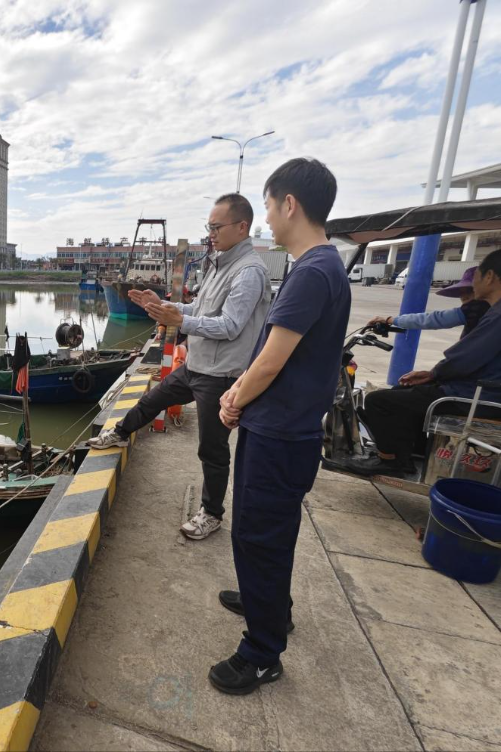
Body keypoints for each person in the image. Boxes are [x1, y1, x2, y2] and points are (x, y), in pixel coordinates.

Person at [212, 157, 348, 694]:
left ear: (290, 204)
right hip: (286, 429)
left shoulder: (312, 272)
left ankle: (262, 652)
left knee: (258, 536)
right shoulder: (320, 267)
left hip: (279, 434)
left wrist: (233, 399)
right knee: (272, 533)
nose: (267, 217)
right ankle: (271, 604)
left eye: (269, 206)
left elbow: (270, 361)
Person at [87, 193, 271, 540]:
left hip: (221, 375)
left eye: (216, 227)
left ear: (242, 227)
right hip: (197, 364)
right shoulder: (219, 264)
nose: (211, 234)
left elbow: (231, 326)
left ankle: (212, 514)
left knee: (212, 449)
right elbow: (198, 309)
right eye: (209, 227)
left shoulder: (248, 272)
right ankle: (121, 434)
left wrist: (180, 322)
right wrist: (165, 304)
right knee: (152, 399)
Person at [348, 250, 501, 476]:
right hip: (475, 389)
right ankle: (412, 452)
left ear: (489, 277)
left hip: (477, 395)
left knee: (378, 401)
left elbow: (466, 357)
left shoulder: (495, 314)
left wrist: (434, 374)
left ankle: (391, 461)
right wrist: (434, 374)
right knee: (402, 391)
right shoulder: (493, 311)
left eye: (477, 276)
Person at [367, 266, 489, 338]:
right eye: (462, 291)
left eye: (470, 290)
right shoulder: (488, 310)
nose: (464, 296)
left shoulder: (477, 309)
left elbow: (432, 320)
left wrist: (390, 320)